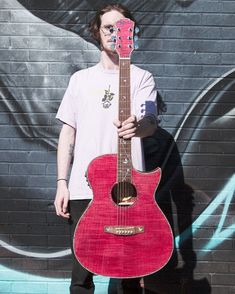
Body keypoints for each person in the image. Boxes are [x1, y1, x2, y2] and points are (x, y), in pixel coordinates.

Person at [54, 3, 158, 294]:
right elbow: (67, 133)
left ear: (131, 33)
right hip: (84, 189)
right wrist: (62, 183)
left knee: (129, 275)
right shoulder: (80, 80)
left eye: (120, 27)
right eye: (108, 28)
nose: (114, 33)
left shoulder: (143, 78)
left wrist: (140, 125)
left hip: (128, 189)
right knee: (81, 278)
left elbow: (150, 118)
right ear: (97, 34)